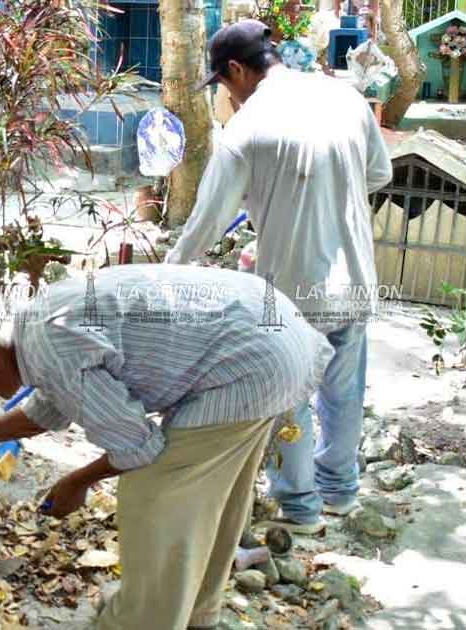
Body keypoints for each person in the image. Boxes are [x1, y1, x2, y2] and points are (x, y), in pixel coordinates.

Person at [0, 264, 333, 630]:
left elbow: (138, 446)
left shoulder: (52, 348)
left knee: (154, 493)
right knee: (208, 489)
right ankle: (196, 611)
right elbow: (51, 408)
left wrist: (77, 481)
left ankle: (142, 620)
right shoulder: (37, 323)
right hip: (269, 335)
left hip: (250, 361)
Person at [163, 20, 394, 534]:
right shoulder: (345, 98)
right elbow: (379, 175)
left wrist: (166, 272)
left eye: (223, 85)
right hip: (353, 276)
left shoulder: (246, 129)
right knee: (343, 391)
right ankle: (340, 491)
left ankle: (301, 507)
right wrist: (318, 198)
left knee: (288, 396)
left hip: (292, 291)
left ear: (237, 71)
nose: (228, 96)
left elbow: (207, 221)